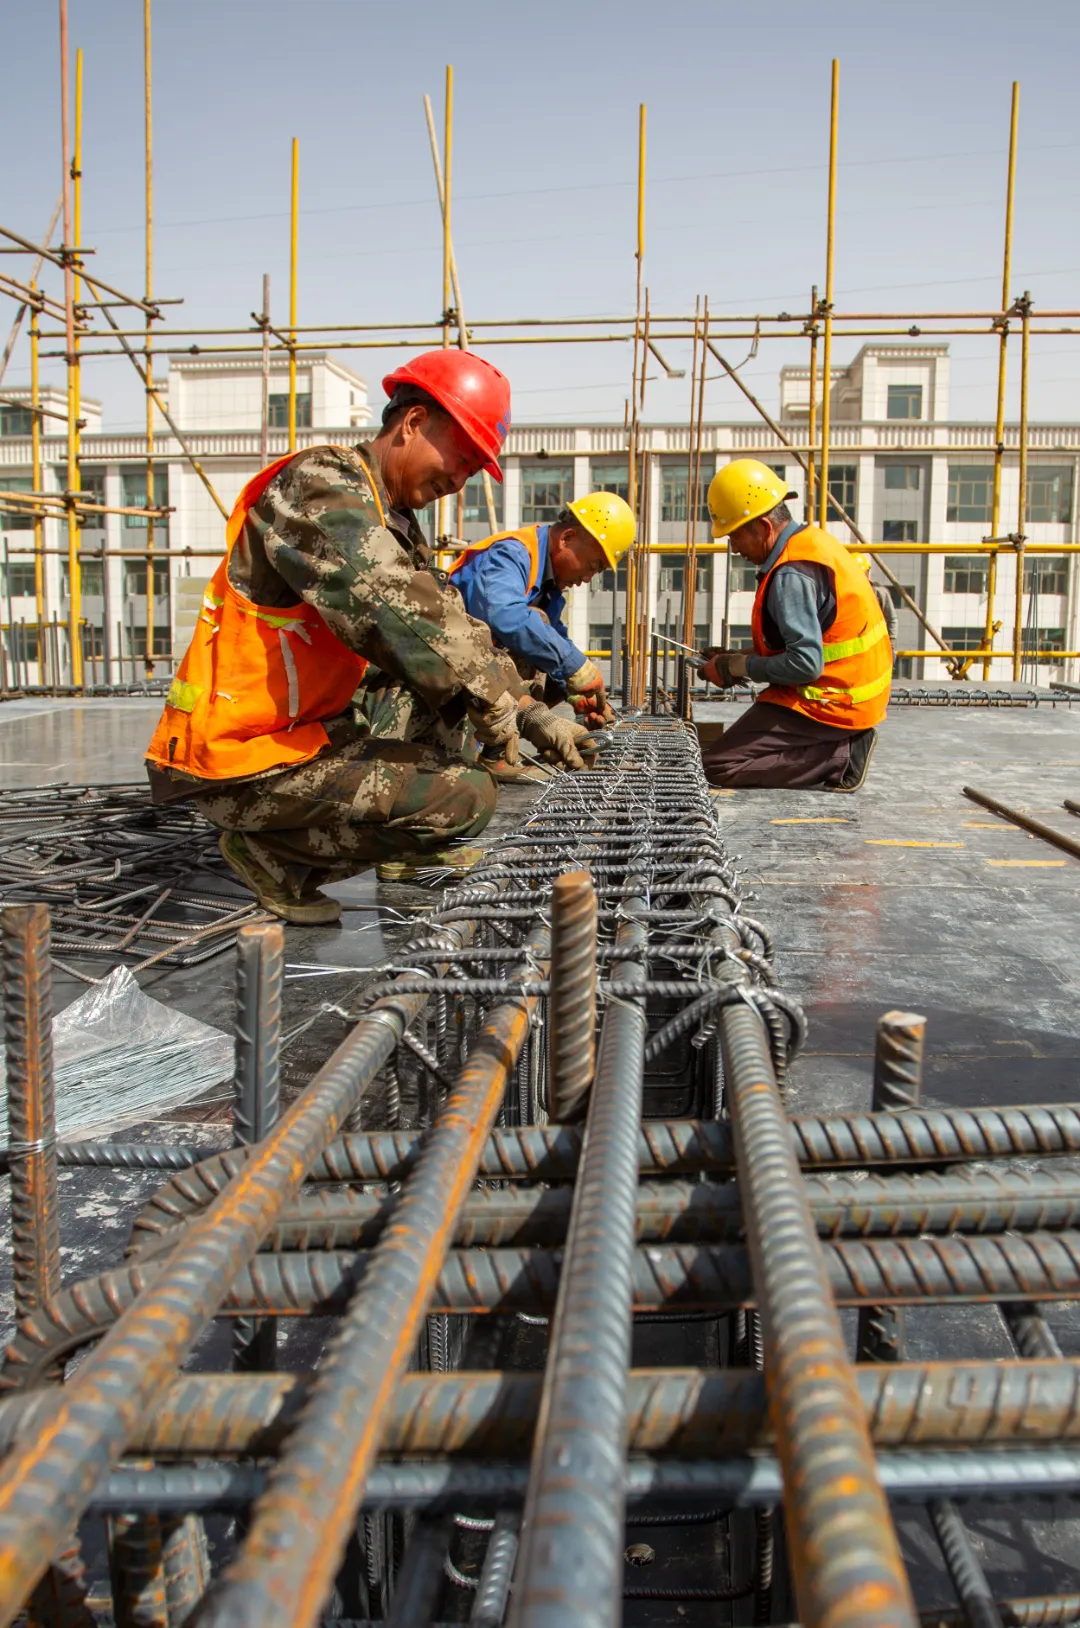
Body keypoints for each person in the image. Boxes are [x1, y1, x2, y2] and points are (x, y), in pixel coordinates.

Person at [144, 349, 587, 923]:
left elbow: (449, 618)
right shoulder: (320, 487)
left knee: (437, 699)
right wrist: (502, 705)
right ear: (414, 423)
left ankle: (383, 850)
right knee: (465, 795)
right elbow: (401, 612)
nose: (459, 480)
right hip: (235, 758)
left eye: (474, 471)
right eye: (462, 458)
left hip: (299, 737)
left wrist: (530, 710)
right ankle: (275, 857)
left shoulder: (390, 517)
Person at [697, 459, 892, 791]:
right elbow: (809, 641)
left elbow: (805, 665)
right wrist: (736, 657)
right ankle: (837, 747)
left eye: (735, 536)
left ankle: (842, 756)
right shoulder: (810, 542)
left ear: (762, 527)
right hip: (850, 692)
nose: (735, 548)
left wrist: (740, 667)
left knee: (718, 766)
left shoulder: (791, 574)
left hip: (831, 701)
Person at [448, 491, 636, 735]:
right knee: (538, 624)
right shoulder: (510, 554)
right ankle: (493, 746)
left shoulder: (548, 586)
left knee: (544, 632)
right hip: (446, 675)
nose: (587, 579)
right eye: (592, 566)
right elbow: (505, 615)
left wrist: (575, 693)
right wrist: (576, 667)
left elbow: (552, 638)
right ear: (567, 538)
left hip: (476, 676)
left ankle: (501, 743)